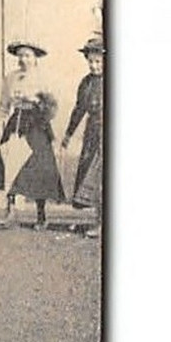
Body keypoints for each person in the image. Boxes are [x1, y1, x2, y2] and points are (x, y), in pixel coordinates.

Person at [0, 40, 64, 230]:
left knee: (38, 167)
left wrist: (36, 101)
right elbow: (3, 106)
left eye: (28, 55)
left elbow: (52, 107)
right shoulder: (10, 78)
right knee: (11, 163)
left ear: (35, 58)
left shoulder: (43, 78)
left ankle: (41, 215)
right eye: (21, 55)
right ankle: (10, 211)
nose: (23, 59)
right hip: (16, 123)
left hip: (37, 124)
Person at [61, 36, 104, 238]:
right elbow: (79, 110)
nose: (94, 65)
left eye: (98, 61)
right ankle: (98, 221)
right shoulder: (86, 83)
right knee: (93, 176)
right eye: (91, 61)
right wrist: (69, 134)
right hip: (93, 133)